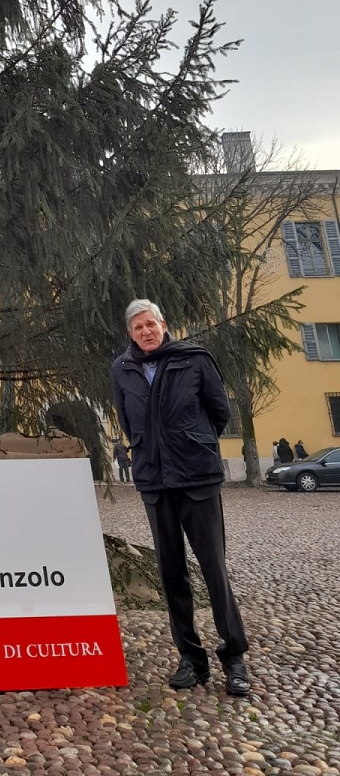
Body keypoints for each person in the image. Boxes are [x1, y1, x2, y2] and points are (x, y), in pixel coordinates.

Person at [111, 298, 250, 697]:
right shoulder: (122, 369)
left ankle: (234, 657)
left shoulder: (194, 358)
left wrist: (192, 442)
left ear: (164, 323)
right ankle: (190, 658)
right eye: (137, 328)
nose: (145, 332)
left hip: (197, 479)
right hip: (155, 483)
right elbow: (127, 418)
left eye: (150, 324)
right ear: (130, 334)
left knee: (214, 571)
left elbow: (219, 412)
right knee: (172, 574)